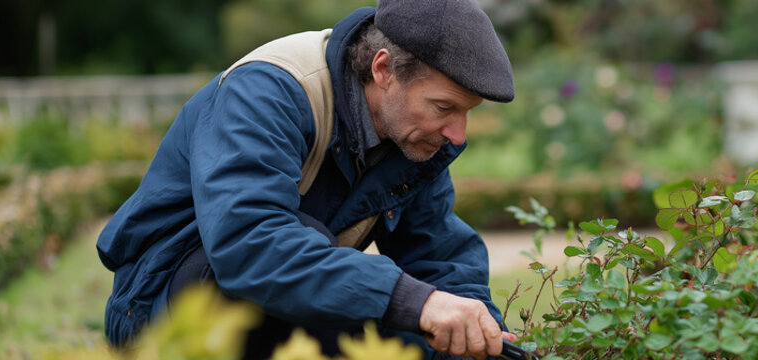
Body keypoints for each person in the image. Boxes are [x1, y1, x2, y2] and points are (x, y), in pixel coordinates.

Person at [95, 0, 516, 359]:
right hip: (158, 309)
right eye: (444, 107)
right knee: (372, 296)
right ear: (384, 69)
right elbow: (250, 245)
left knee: (411, 337)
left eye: (467, 112)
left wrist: (479, 330)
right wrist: (415, 301)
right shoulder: (266, 91)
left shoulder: (414, 139)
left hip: (280, 304)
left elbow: (438, 252)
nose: (458, 135)